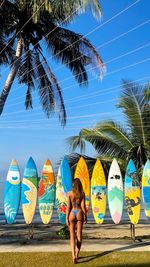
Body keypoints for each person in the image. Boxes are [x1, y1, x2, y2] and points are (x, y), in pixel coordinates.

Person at [66, 178, 87, 264]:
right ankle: (77, 255)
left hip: (72, 213)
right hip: (79, 212)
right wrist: (85, 217)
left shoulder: (70, 193)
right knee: (79, 235)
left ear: (73, 185)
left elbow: (68, 207)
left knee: (72, 236)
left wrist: (67, 218)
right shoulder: (82, 193)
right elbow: (83, 207)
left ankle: (73, 255)